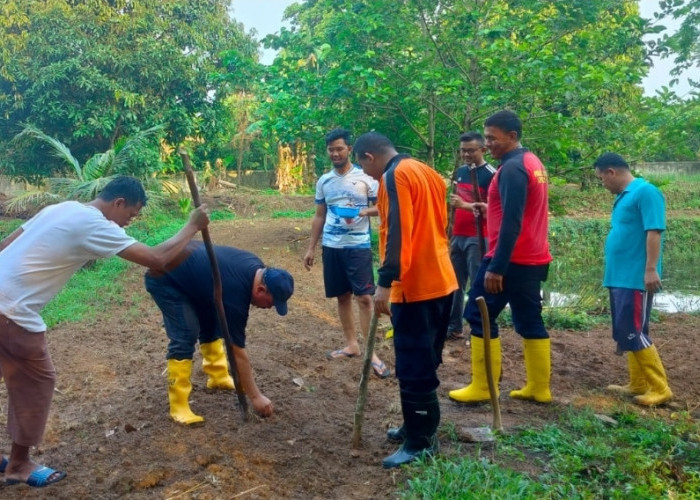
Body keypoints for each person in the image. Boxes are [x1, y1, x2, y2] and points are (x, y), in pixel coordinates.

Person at [0, 176, 209, 488]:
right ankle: (18, 465)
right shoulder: (94, 224)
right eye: (131, 215)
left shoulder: (61, 208)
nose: (127, 223)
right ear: (119, 203)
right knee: (37, 381)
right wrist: (193, 225)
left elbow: (6, 245)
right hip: (12, 312)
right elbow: (156, 259)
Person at [353, 132, 457, 469]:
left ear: (369, 156)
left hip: (415, 286)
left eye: (362, 166)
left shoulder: (393, 176)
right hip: (442, 278)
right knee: (424, 360)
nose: (366, 176)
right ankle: (416, 425)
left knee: (414, 365)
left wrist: (386, 282)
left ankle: (421, 442)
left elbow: (397, 231)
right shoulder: (426, 170)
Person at [448, 110, 553, 405]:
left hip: (509, 259)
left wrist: (497, 266)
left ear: (513, 137)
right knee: (529, 318)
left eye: (493, 138)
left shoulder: (511, 169)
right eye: (487, 138)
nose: (488, 143)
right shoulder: (532, 163)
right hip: (532, 257)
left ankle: (484, 386)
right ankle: (538, 388)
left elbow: (512, 221)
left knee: (477, 315)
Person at [145, 242, 294, 423]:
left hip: (195, 277)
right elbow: (237, 351)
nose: (268, 308)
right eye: (270, 303)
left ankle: (217, 376)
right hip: (165, 278)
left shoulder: (257, 268)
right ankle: (179, 405)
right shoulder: (236, 292)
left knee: (212, 318)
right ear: (260, 289)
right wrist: (255, 396)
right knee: (185, 333)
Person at [303, 128, 390, 379]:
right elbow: (320, 215)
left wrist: (363, 213)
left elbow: (382, 207)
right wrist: (311, 248)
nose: (335, 153)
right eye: (331, 149)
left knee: (364, 298)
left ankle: (370, 352)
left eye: (340, 148)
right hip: (332, 246)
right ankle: (351, 345)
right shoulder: (324, 181)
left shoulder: (366, 177)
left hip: (358, 246)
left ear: (349, 149)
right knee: (342, 297)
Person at [594, 152, 672, 406]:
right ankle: (638, 383)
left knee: (634, 330)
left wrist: (650, 269)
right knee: (628, 329)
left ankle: (660, 388)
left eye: (601, 179)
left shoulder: (646, 192)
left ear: (611, 172)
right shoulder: (623, 196)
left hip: (635, 277)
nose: (602, 184)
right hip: (619, 275)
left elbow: (654, 231)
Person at [447, 132, 496, 341]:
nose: (466, 154)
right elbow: (454, 205)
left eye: (470, 150)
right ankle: (454, 326)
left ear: (483, 150)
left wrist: (464, 205)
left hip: (479, 236)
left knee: (477, 283)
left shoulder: (492, 174)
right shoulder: (460, 172)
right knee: (454, 283)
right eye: (463, 150)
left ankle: (479, 326)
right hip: (458, 234)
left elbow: (494, 209)